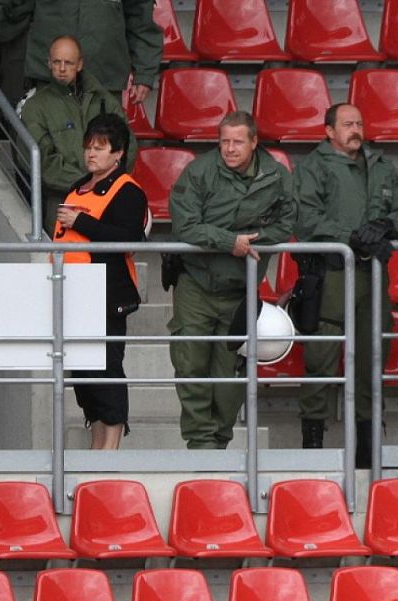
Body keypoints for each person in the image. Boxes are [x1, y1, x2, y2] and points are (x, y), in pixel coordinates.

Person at [167, 111, 295, 450]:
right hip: (195, 283)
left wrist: (253, 241)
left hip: (240, 288)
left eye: (238, 141)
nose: (230, 148)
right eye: (224, 141)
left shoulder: (277, 176)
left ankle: (218, 443)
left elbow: (287, 223)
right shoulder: (199, 171)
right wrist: (230, 242)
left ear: (254, 142)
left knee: (230, 375)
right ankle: (200, 443)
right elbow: (184, 225)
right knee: (190, 363)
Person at [295, 102, 398, 464]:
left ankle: (366, 455)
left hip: (372, 277)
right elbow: (304, 218)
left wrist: (387, 226)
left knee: (370, 357)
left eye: (359, 122)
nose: (355, 129)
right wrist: (350, 236)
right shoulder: (312, 167)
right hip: (330, 275)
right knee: (321, 356)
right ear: (329, 131)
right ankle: (312, 450)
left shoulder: (380, 166)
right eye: (347, 124)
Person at [52, 113, 146, 449]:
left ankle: (111, 447)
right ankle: (97, 444)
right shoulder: (78, 187)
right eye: (89, 147)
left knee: (107, 368)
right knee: (82, 373)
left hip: (104, 292)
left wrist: (82, 222)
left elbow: (129, 240)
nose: (92, 154)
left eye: (100, 148)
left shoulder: (127, 191)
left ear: (118, 153)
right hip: (71, 292)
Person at [17, 36, 126, 236]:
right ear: (48, 63)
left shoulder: (103, 99)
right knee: (64, 261)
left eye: (68, 63)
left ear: (80, 64)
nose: (62, 68)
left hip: (108, 196)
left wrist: (107, 182)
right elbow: (41, 160)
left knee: (105, 260)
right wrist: (87, 183)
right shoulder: (36, 106)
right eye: (57, 62)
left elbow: (127, 143)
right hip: (63, 199)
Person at [0, 0, 160, 106]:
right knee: (38, 152)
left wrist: (144, 72)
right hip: (47, 77)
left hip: (103, 77)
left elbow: (141, 19)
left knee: (105, 152)